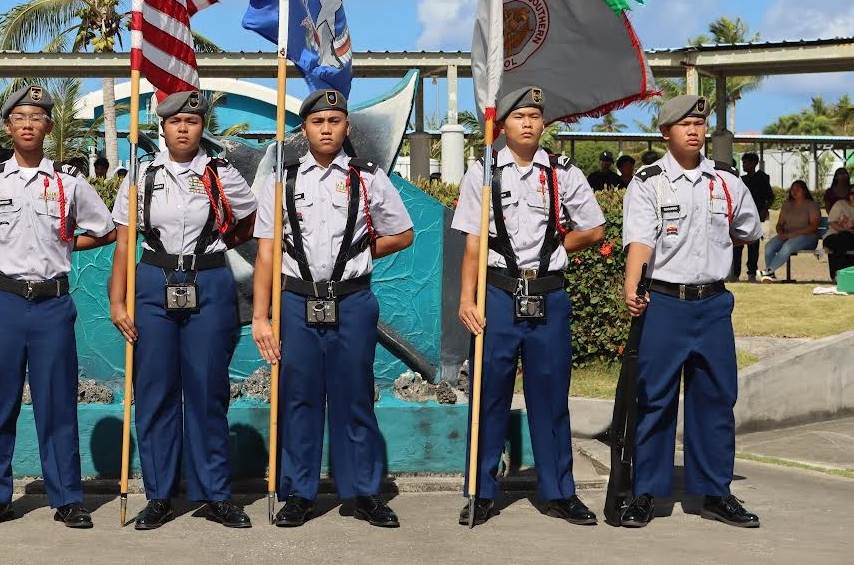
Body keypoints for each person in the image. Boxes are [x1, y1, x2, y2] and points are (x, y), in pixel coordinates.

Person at [0, 85, 116, 530]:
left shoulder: (69, 181)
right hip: (6, 304)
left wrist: (68, 242)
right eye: (20, 117)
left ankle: (67, 498)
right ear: (8, 126)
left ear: (48, 127)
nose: (29, 124)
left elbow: (107, 230)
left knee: (57, 401)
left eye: (37, 116)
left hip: (53, 304)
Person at [251, 88, 414, 529]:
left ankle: (363, 492)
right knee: (299, 398)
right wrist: (261, 315)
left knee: (355, 397)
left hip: (353, 300)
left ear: (346, 126)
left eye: (335, 121)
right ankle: (299, 494)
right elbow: (266, 251)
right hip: (297, 301)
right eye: (318, 122)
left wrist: (358, 253)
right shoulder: (282, 181)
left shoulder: (367, 178)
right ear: (304, 129)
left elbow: (403, 233)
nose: (327, 129)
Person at [452, 86, 606, 528]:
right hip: (498, 296)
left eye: (535, 116)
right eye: (519, 116)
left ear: (544, 124)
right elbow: (473, 243)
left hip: (549, 296)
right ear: (503, 125)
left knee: (551, 396)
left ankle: (560, 491)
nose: (528, 123)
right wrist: (468, 298)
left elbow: (593, 229)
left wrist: (555, 247)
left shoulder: (562, 172)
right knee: (488, 396)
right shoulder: (484, 171)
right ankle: (480, 493)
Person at [108, 90, 258, 530]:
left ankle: (214, 493)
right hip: (154, 281)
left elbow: (248, 220)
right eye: (176, 122)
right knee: (155, 391)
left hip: (209, 281)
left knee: (208, 390)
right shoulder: (139, 174)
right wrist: (118, 300)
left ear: (200, 127)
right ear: (164, 126)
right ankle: (159, 495)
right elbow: (123, 240)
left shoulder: (220, 173)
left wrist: (217, 248)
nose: (183, 128)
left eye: (192, 122)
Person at [618, 94, 763, 529]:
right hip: (664, 303)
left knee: (716, 399)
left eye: (699, 123)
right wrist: (632, 287)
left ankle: (715, 492)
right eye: (684, 124)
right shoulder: (649, 182)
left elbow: (748, 230)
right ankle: (645, 493)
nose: (694, 130)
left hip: (713, 304)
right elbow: (640, 242)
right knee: (655, 399)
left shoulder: (726, 182)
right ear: (666, 133)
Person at [760, 180, 821, 282]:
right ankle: (771, 276)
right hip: (787, 236)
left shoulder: (811, 205)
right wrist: (780, 232)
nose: (794, 191)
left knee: (789, 245)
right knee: (769, 246)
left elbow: (814, 226)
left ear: (805, 191)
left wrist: (792, 234)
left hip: (808, 237)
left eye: (798, 189)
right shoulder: (787, 205)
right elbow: (779, 224)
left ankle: (768, 271)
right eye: (792, 189)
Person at [731, 154, 774, 282]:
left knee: (753, 246)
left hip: (756, 216)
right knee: (737, 247)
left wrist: (764, 209)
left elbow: (770, 197)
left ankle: (752, 273)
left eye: (746, 162)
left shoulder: (762, 179)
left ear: (754, 163)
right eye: (743, 162)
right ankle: (735, 273)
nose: (744, 165)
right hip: (740, 216)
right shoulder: (740, 179)